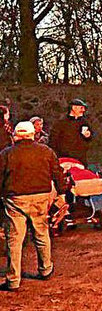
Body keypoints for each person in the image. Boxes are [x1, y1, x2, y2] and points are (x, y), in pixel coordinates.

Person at [0, 121, 64, 291]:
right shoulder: (46, 151)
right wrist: (62, 192)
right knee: (41, 233)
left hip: (15, 198)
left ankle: (13, 279)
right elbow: (57, 172)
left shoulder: (6, 154)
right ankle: (46, 269)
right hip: (40, 196)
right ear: (32, 134)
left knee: (15, 238)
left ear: (17, 135)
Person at [49, 99, 94, 166]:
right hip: (64, 157)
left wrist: (88, 136)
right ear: (74, 108)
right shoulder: (61, 123)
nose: (83, 110)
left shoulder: (85, 122)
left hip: (80, 158)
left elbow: (90, 137)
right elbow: (53, 140)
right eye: (81, 108)